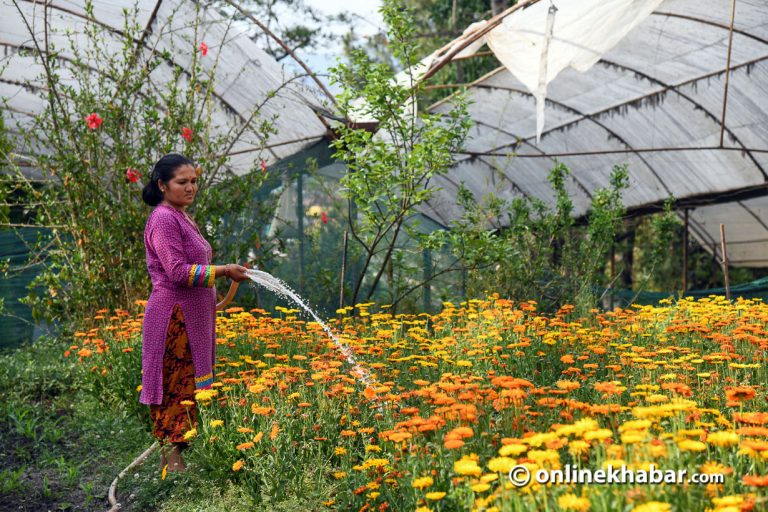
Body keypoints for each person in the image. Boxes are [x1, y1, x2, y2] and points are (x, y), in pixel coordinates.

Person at [139, 154, 249, 472]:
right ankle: (173, 466)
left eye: (194, 181)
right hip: (174, 321)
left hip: (191, 319)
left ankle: (175, 462)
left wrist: (222, 275)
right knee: (176, 388)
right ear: (162, 185)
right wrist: (224, 270)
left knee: (188, 389)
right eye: (182, 182)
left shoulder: (180, 215)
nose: (191, 188)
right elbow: (176, 272)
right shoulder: (162, 219)